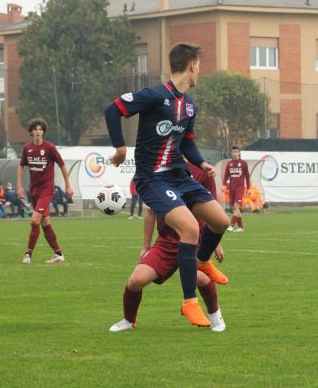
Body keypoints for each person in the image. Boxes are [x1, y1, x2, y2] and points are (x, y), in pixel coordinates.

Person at [105, 42, 230, 327]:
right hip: (152, 179)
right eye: (199, 65)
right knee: (188, 228)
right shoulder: (154, 96)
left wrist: (201, 164)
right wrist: (120, 148)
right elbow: (113, 110)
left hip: (179, 177)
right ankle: (189, 302)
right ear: (191, 66)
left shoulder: (189, 105)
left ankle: (201, 261)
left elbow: (188, 143)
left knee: (220, 222)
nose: (200, 71)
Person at [110, 162, 226, 333]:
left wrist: (215, 243)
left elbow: (211, 210)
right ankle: (128, 320)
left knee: (201, 278)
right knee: (135, 282)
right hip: (167, 243)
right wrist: (146, 246)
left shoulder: (202, 171)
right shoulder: (157, 168)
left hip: (196, 239)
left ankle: (215, 314)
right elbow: (150, 212)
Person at [17, 118, 73, 264]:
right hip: (33, 190)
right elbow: (21, 166)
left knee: (34, 220)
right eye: (35, 129)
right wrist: (19, 186)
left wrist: (68, 185)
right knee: (45, 222)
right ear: (31, 132)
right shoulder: (27, 148)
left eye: (40, 129)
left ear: (43, 132)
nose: (38, 132)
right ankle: (58, 254)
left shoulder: (50, 148)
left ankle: (28, 254)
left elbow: (62, 165)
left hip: (47, 190)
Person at [223, 146, 251, 232]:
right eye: (233, 152)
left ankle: (231, 225)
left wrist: (248, 188)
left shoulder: (243, 163)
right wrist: (223, 185)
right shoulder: (229, 164)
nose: (235, 153)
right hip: (232, 188)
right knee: (236, 209)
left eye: (236, 151)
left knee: (236, 206)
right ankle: (241, 227)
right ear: (231, 153)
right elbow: (226, 176)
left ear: (239, 153)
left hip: (240, 188)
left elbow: (247, 176)